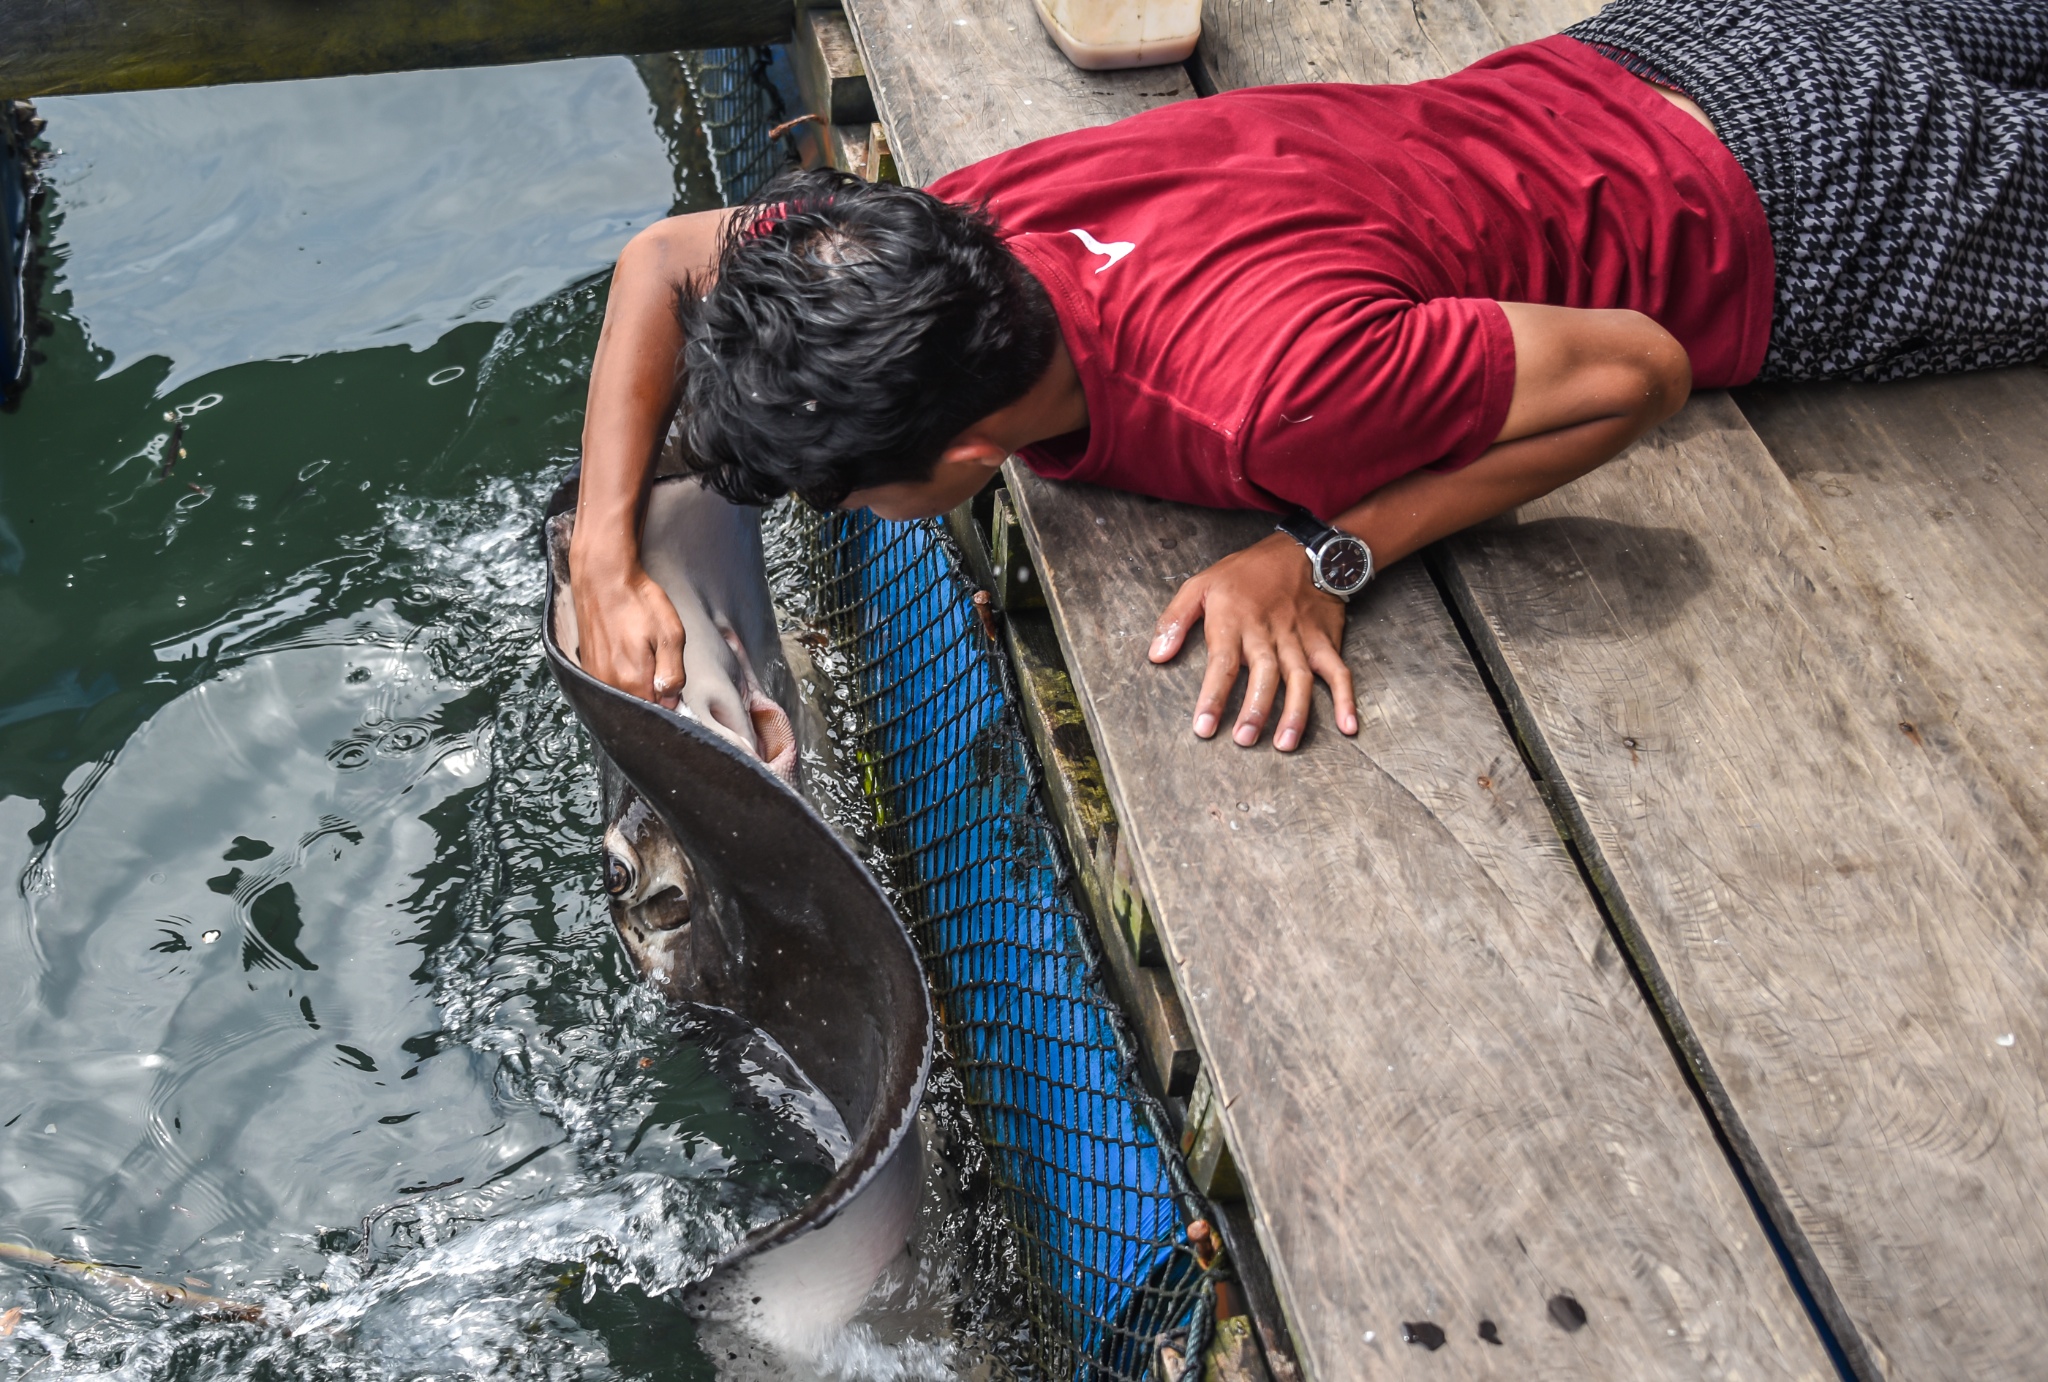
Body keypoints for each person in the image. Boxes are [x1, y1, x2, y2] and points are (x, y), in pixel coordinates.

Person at [572, 0, 2048, 752]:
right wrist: (604, 550)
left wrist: (1327, 552)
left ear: (966, 461)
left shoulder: (1264, 397)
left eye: (853, 490)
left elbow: (1637, 371)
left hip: (1822, 196)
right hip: (1682, 49)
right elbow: (662, 260)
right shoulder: (966, 221)